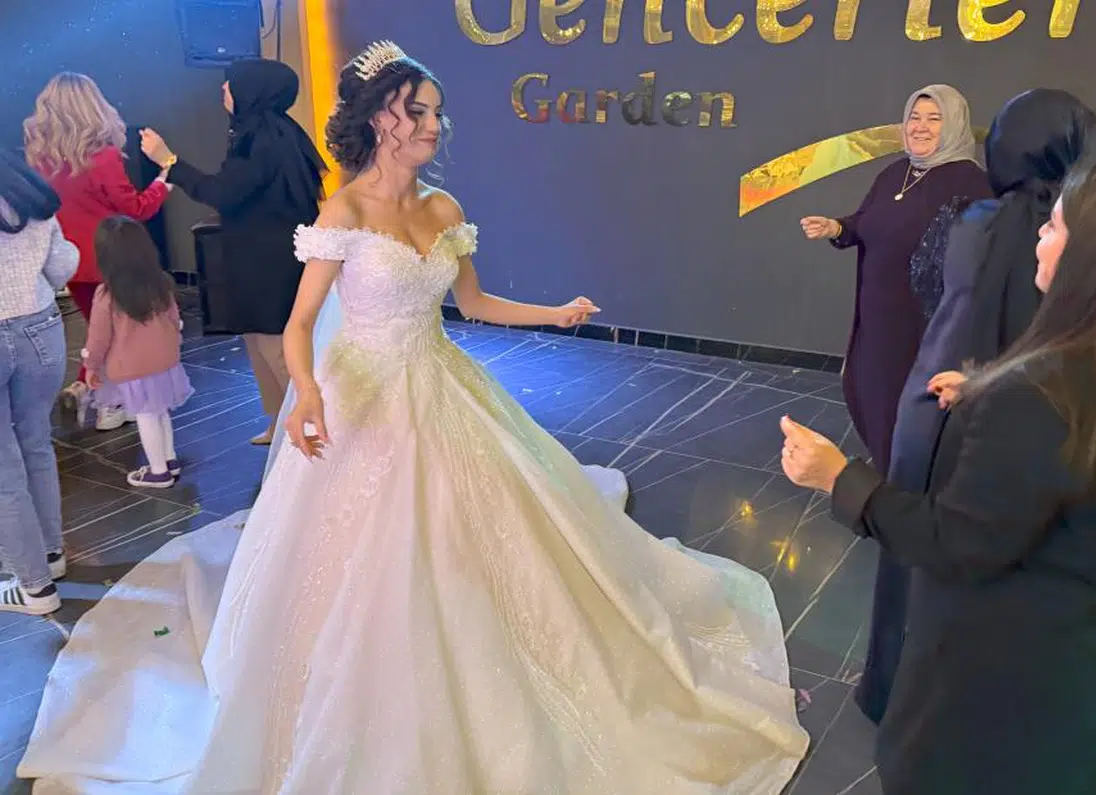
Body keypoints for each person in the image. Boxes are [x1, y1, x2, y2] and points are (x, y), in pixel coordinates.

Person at [19, 41, 808, 793]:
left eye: (436, 111)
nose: (435, 124)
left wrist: (556, 312)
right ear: (380, 120)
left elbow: (475, 302)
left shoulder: (443, 206)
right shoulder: (345, 209)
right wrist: (306, 391)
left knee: (487, 537)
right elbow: (299, 325)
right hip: (360, 393)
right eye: (418, 111)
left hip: (439, 384)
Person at [778, 152, 1096, 795]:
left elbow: (956, 542)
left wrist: (840, 479)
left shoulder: (1041, 394)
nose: (1038, 236)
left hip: (1010, 713)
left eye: (1054, 226)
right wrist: (989, 385)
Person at [853, 88, 1096, 723]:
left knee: (922, 553)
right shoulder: (1094, 235)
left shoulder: (977, 219)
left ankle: (896, 692)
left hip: (938, 399)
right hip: (1022, 418)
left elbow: (930, 289)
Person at [800, 85, 990, 473]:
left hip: (924, 326)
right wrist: (838, 227)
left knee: (911, 410)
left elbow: (981, 257)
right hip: (876, 323)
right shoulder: (894, 174)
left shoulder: (972, 183)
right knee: (874, 399)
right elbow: (868, 222)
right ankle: (889, 475)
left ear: (955, 125)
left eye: (934, 119)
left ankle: (907, 483)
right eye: (914, 118)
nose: (920, 127)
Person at [139, 58, 325, 445]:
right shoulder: (266, 131)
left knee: (275, 347)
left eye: (230, 84)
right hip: (259, 256)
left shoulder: (263, 139)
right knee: (257, 343)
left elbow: (223, 192)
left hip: (270, 262)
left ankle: (303, 429)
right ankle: (278, 423)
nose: (223, 90)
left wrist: (169, 161)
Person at [24, 72, 172, 430]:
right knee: (121, 335)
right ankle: (110, 404)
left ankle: (91, 393)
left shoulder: (38, 159)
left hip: (69, 261)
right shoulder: (103, 156)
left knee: (99, 330)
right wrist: (162, 182)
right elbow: (134, 208)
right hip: (111, 257)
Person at [0, 149, 78, 615]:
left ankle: (34, 589)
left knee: (3, 470)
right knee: (36, 445)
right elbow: (61, 266)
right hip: (39, 328)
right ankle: (51, 556)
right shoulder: (27, 191)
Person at [83, 216, 193, 489]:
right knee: (161, 411)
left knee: (146, 416)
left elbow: (98, 337)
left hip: (132, 368)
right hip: (166, 362)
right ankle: (169, 459)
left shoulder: (107, 295)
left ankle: (158, 472)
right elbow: (174, 319)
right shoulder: (161, 283)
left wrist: (91, 365)